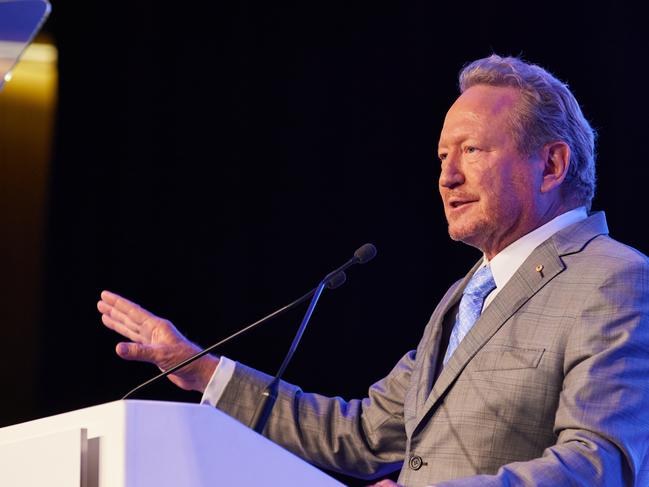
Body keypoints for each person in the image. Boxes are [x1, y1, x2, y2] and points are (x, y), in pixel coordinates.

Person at [97, 55, 649, 486]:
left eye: (472, 150)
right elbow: (362, 434)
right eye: (441, 157)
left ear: (551, 164)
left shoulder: (616, 279)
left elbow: (601, 465)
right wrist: (203, 371)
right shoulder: (466, 296)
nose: (447, 177)